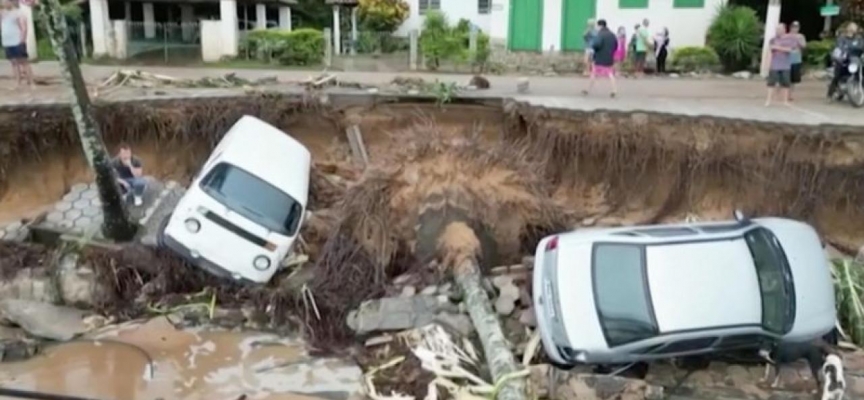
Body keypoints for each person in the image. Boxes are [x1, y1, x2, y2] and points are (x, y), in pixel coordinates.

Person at [1, 0, 33, 88]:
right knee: (13, 63)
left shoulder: (19, 13)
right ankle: (17, 82)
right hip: (7, 42)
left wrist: (22, 39)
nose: (3, 3)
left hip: (17, 40)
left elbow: (23, 27)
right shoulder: (3, 14)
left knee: (24, 62)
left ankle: (31, 82)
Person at [582, 19, 618, 98]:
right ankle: (614, 90)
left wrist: (593, 49)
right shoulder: (612, 34)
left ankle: (587, 89)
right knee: (610, 73)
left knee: (594, 73)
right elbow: (616, 45)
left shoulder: (600, 34)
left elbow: (596, 45)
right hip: (609, 57)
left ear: (600, 26)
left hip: (600, 57)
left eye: (597, 26)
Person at [828, 22, 863, 99]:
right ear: (848, 28)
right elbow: (839, 47)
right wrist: (842, 51)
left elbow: (862, 46)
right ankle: (831, 92)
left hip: (856, 59)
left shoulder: (859, 39)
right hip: (844, 60)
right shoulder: (842, 38)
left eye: (855, 28)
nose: (853, 29)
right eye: (851, 27)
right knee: (837, 74)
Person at [765, 23, 796, 106]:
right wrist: (768, 64)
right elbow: (771, 50)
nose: (777, 31)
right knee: (771, 83)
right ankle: (768, 100)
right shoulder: (773, 39)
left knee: (786, 84)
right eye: (777, 29)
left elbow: (790, 50)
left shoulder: (790, 39)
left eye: (779, 29)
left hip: (785, 65)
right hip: (774, 65)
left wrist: (778, 47)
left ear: (784, 30)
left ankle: (785, 101)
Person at [787, 21, 806, 101]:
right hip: (787, 59)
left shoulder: (800, 36)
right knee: (785, 77)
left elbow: (804, 45)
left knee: (793, 79)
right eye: (794, 27)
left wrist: (798, 41)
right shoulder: (786, 36)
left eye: (797, 27)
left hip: (796, 59)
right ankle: (784, 93)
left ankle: (790, 94)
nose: (795, 29)